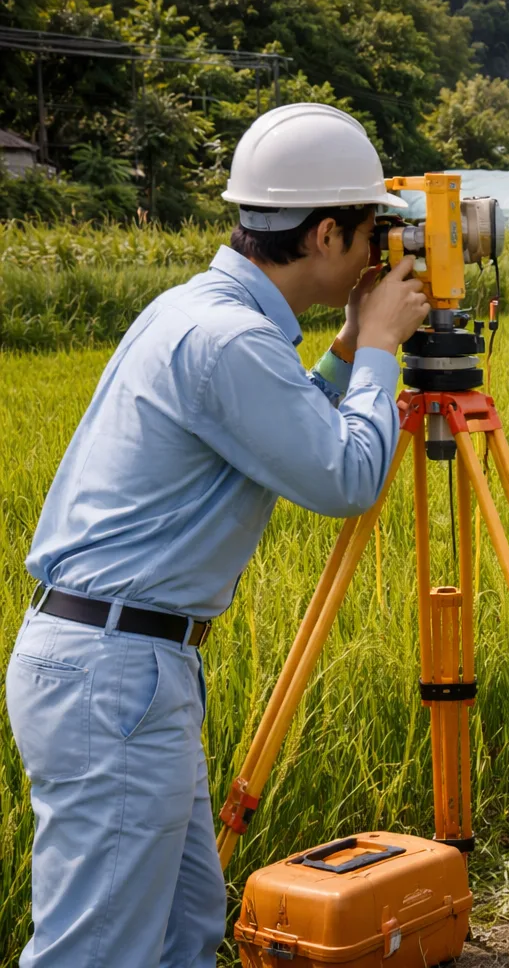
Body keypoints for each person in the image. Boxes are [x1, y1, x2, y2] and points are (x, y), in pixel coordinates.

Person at [5, 103, 430, 967]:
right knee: (101, 954)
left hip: (124, 664)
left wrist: (349, 346)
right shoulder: (227, 338)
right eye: (368, 234)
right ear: (323, 234)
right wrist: (384, 346)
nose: (375, 255)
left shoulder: (200, 312)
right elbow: (342, 476)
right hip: (115, 672)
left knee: (180, 937)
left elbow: (284, 429)